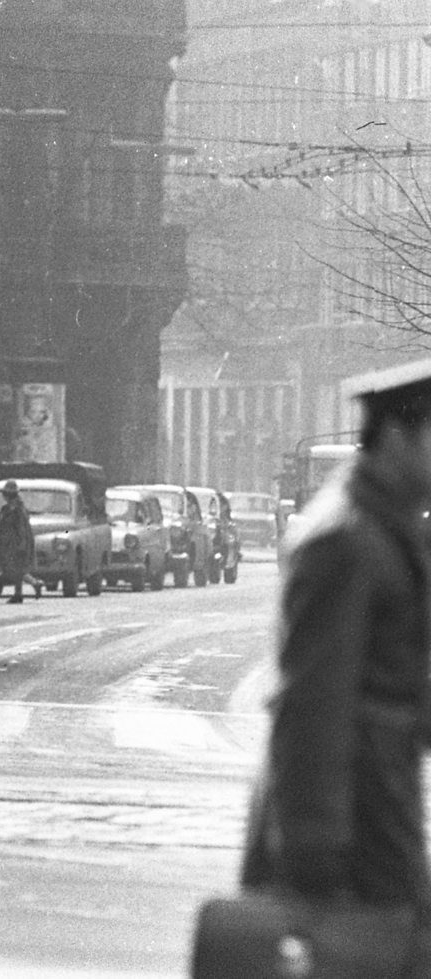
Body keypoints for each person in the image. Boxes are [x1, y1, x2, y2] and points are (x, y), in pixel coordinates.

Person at [239, 357, 431, 965]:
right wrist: (316, 859)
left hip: (377, 811)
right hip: (350, 833)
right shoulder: (347, 540)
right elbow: (313, 705)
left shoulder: (382, 528)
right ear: (398, 437)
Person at [0, 479, 35, 604]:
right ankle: (28, 587)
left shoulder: (18, 509)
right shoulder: (7, 508)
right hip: (8, 543)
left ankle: (21, 591)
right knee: (14, 570)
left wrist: (22, 545)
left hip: (15, 543)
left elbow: (22, 528)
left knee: (16, 570)